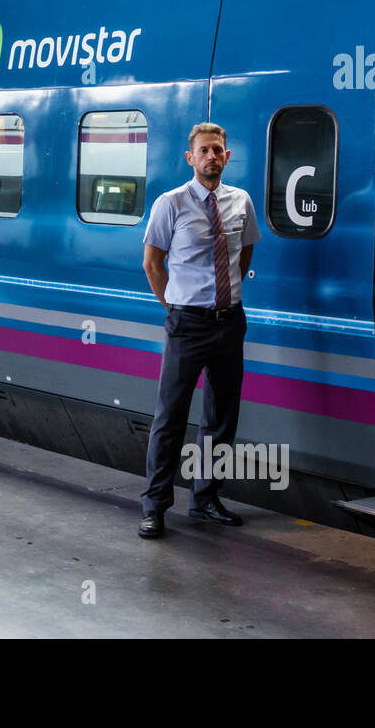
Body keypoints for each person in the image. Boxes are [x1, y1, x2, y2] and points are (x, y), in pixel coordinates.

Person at [138, 122, 260, 540]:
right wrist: (174, 307)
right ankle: (154, 507)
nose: (212, 156)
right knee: (170, 417)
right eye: (204, 150)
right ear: (191, 158)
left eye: (218, 150)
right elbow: (152, 264)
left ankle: (205, 498)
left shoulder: (241, 201)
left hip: (229, 321)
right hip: (186, 324)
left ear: (227, 157)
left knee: (221, 418)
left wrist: (223, 296)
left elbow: (244, 254)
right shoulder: (170, 204)